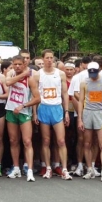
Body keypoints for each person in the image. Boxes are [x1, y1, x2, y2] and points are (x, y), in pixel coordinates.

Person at [36, 49, 72, 180]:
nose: (49, 60)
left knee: (61, 140)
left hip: (57, 108)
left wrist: (66, 111)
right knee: (46, 140)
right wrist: (35, 113)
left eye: (51, 58)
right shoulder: (38, 75)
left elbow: (65, 93)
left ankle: (64, 169)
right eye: (47, 58)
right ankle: (48, 168)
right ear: (43, 59)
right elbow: (35, 95)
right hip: (44, 108)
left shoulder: (60, 74)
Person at [5, 55, 41, 181]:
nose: (17, 66)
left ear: (24, 64)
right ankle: (16, 168)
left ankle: (29, 170)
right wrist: (23, 74)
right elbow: (8, 83)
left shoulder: (30, 79)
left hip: (24, 112)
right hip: (11, 110)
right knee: (13, 140)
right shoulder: (11, 75)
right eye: (15, 64)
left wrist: (23, 105)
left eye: (20, 64)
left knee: (27, 141)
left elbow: (37, 98)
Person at [77, 62, 102, 182]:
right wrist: (80, 119)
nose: (92, 76)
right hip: (88, 113)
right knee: (87, 143)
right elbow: (81, 100)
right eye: (90, 73)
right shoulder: (84, 82)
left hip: (101, 112)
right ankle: (89, 169)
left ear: (99, 71)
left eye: (95, 73)